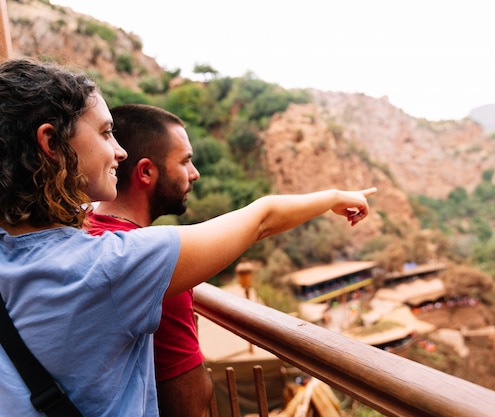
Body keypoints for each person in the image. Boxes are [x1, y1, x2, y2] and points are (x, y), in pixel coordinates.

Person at [0, 57, 376, 417]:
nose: (120, 151)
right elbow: (261, 219)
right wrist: (333, 197)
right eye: (105, 133)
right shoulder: (114, 266)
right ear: (51, 144)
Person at [85, 104, 210, 417]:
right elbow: (186, 403)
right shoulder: (152, 265)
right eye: (185, 161)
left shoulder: (81, 229)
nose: (195, 174)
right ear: (145, 172)